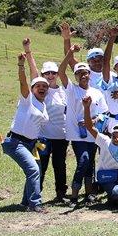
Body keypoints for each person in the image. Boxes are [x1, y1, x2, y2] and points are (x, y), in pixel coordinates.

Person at [2, 53, 50, 213]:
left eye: (45, 86)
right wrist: (21, 65)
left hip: (32, 144)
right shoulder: (27, 100)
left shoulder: (43, 105)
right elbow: (23, 82)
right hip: (16, 142)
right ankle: (35, 204)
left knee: (35, 170)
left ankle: (25, 202)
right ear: (32, 89)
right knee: (33, 170)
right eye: (38, 86)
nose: (42, 88)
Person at [23, 38, 69, 204]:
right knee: (40, 165)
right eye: (46, 73)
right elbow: (33, 72)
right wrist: (28, 51)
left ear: (57, 74)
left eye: (53, 73)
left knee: (60, 166)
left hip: (61, 137)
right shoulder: (40, 89)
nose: (50, 76)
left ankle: (61, 194)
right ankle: (35, 195)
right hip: (42, 137)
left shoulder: (64, 91)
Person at [60, 47, 108, 206]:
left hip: (93, 134)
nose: (82, 75)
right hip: (76, 134)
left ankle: (89, 194)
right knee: (84, 160)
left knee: (90, 163)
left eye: (85, 72)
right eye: (79, 73)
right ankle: (74, 195)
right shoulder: (71, 90)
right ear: (75, 76)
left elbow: (105, 113)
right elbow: (61, 72)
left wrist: (94, 120)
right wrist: (70, 53)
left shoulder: (97, 93)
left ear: (89, 74)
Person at [82, 98, 118, 208]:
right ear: (111, 136)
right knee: (117, 192)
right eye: (114, 136)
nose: (117, 139)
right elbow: (90, 127)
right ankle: (115, 196)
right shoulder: (105, 142)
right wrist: (86, 108)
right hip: (107, 177)